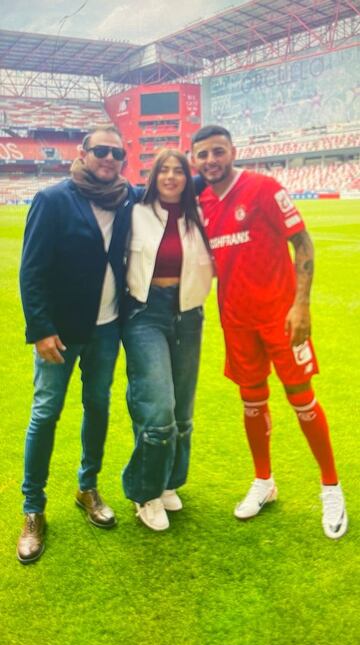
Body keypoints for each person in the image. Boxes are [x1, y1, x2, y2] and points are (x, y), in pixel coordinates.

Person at [191, 124, 347, 540]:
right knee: (252, 400)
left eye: (218, 151)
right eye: (203, 154)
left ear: (233, 151)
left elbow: (304, 244)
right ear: (195, 160)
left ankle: (330, 486)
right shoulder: (200, 200)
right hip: (236, 321)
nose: (211, 160)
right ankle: (264, 482)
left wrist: (301, 304)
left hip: (281, 317)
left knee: (301, 399)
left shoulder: (263, 187)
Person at [17, 124, 143, 563]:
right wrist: (40, 329)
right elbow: (30, 270)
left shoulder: (127, 198)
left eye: (117, 153)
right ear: (84, 154)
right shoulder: (53, 200)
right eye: (102, 151)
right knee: (45, 414)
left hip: (107, 329)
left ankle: (87, 488)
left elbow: (175, 184)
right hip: (60, 332)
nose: (110, 159)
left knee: (99, 407)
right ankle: (33, 509)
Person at [121, 148, 213, 531]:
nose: (171, 176)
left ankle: (170, 482)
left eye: (178, 170)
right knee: (158, 408)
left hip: (189, 314)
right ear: (154, 176)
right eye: (164, 170)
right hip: (146, 314)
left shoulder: (201, 214)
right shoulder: (135, 211)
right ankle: (145, 493)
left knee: (182, 411)